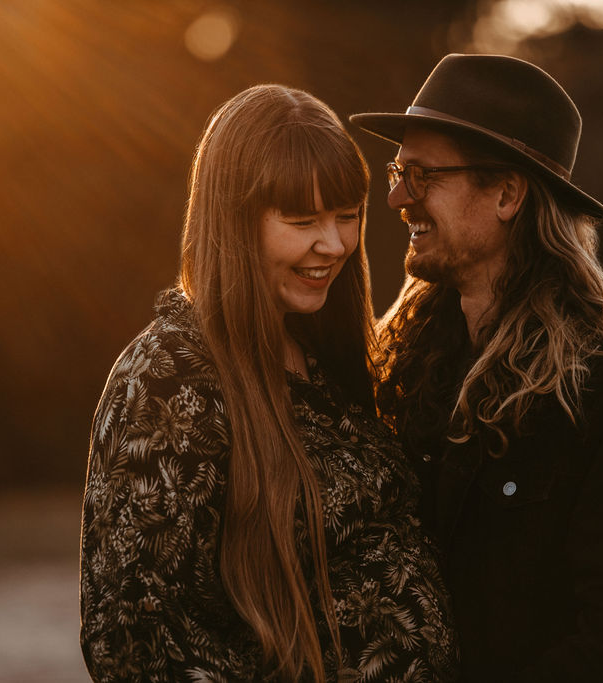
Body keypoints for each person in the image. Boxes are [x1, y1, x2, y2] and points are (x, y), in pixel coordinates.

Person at [351, 54, 603, 682]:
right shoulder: (400, 376)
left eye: (421, 175)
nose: (395, 197)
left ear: (506, 193)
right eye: (397, 171)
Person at [79, 84, 458, 683]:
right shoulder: (169, 380)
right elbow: (135, 642)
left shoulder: (324, 354)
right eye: (302, 220)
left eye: (346, 216)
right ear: (233, 221)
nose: (332, 245)